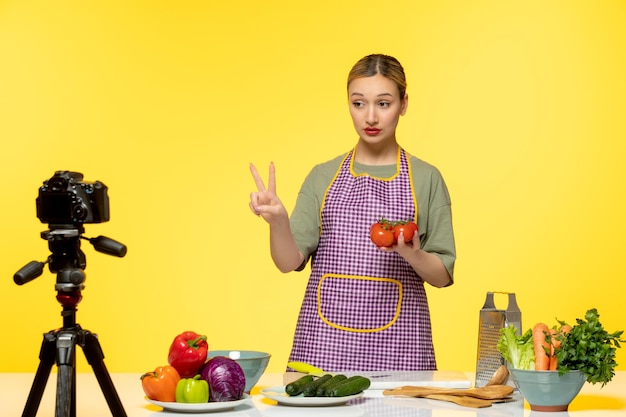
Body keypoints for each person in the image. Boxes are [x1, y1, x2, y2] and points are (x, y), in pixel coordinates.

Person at [249, 54, 455, 371]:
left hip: (400, 351)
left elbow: (442, 276)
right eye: (359, 104)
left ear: (404, 104)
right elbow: (288, 262)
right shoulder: (323, 176)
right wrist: (278, 222)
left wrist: (410, 253)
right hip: (323, 350)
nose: (370, 117)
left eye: (383, 104)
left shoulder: (426, 179)